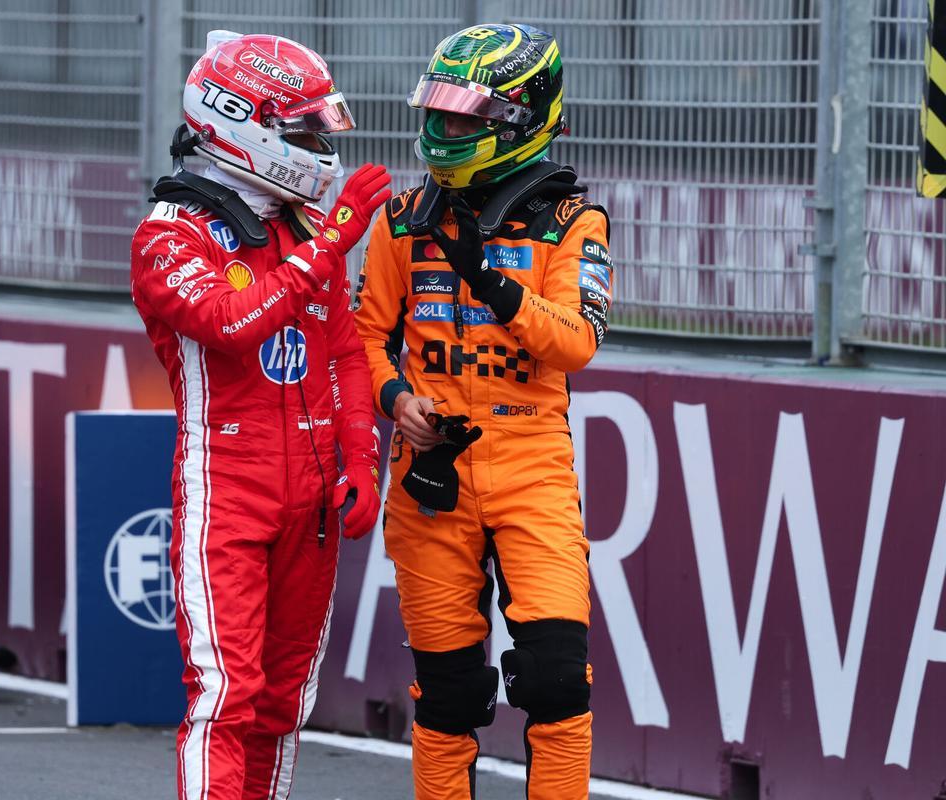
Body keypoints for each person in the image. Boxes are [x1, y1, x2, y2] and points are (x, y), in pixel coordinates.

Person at [352, 23, 612, 800]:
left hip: (532, 465)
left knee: (558, 678)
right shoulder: (402, 221)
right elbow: (362, 340)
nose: (445, 129)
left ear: (520, 120)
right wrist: (399, 403)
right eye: (439, 111)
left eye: (466, 116)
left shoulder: (573, 223)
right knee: (451, 692)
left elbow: (577, 343)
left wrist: (494, 284)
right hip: (431, 473)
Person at [130, 31, 391, 800]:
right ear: (245, 125)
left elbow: (344, 355)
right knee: (224, 697)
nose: (319, 147)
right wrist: (333, 246)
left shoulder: (299, 228)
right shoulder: (167, 233)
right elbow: (232, 324)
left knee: (282, 705)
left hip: (311, 500)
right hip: (227, 491)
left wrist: (361, 462)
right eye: (303, 130)